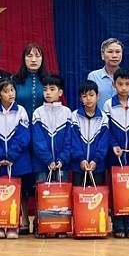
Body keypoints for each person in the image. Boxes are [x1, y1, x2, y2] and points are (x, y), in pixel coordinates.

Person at [0, 76, 31, 240]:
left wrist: (11, 156)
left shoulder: (21, 111)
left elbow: (24, 136)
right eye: (6, 91)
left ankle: (12, 226)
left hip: (17, 161)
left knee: (14, 193)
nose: (11, 94)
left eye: (12, 90)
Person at [102, 68, 129, 239]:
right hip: (116, 155)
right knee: (117, 190)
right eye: (120, 84)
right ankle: (118, 225)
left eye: (127, 84)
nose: (124, 87)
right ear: (114, 85)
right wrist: (113, 145)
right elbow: (106, 130)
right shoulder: (108, 105)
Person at [13, 43, 50, 233]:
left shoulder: (49, 81)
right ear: (23, 59)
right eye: (29, 56)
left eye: (37, 56)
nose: (33, 59)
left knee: (42, 179)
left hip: (44, 138)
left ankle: (41, 219)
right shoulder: (15, 81)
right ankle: (25, 219)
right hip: (21, 138)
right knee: (24, 180)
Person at [30, 74, 73, 237]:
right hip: (42, 163)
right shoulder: (38, 113)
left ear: (60, 92)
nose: (48, 92)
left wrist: (62, 159)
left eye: (52, 89)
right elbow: (37, 140)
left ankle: (60, 226)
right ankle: (42, 225)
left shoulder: (67, 113)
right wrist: (48, 159)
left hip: (62, 163)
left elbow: (69, 140)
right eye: (45, 89)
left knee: (60, 195)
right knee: (42, 194)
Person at [69, 79, 109, 188]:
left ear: (98, 96)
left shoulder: (104, 118)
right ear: (80, 98)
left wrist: (96, 160)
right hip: (78, 165)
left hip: (97, 166)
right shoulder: (74, 116)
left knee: (97, 198)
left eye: (91, 95)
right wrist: (81, 159)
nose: (88, 98)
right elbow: (73, 141)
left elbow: (103, 143)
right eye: (84, 96)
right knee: (79, 198)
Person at [87, 37, 129, 107]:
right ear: (102, 55)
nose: (114, 56)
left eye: (118, 52)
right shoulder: (93, 76)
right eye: (110, 52)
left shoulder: (128, 76)